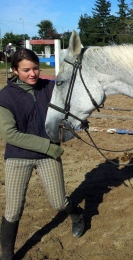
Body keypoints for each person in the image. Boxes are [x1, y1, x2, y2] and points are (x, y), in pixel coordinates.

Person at [0, 48, 85, 260]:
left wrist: (78, 120)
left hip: (48, 156)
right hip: (19, 156)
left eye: (36, 68)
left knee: (59, 203)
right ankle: (7, 255)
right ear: (15, 70)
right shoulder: (6, 97)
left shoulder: (50, 87)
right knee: (13, 210)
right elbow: (10, 134)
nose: (32, 74)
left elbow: (72, 103)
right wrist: (49, 147)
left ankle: (77, 215)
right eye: (26, 70)